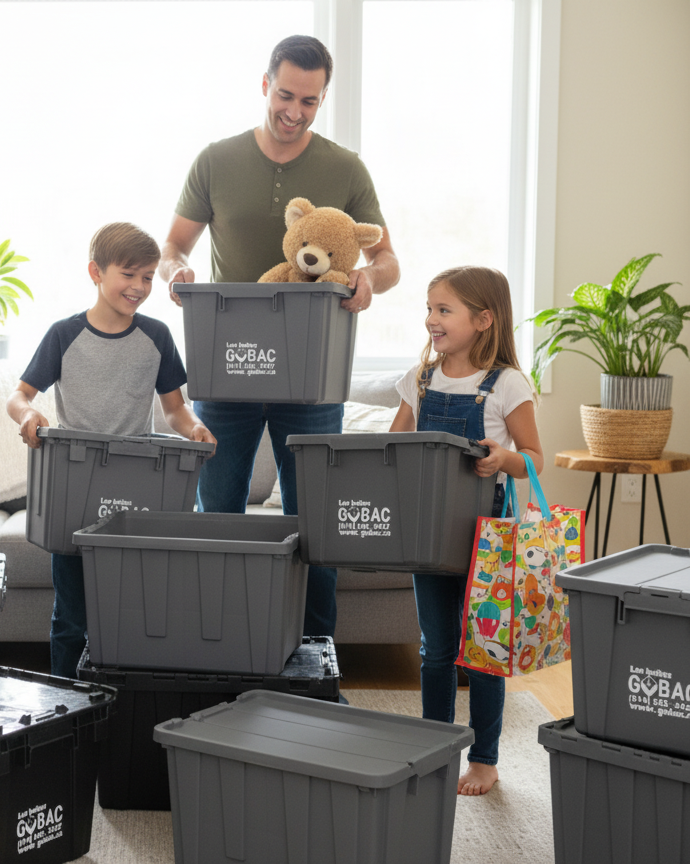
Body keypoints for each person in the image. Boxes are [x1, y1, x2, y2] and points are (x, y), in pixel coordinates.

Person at [158, 34, 400, 639]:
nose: (295, 111)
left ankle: (315, 653)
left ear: (323, 99)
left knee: (314, 522)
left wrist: (369, 279)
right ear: (265, 84)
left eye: (309, 101)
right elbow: (173, 246)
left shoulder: (345, 169)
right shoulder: (215, 160)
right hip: (228, 369)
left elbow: (388, 258)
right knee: (217, 515)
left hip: (312, 377)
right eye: (286, 95)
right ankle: (214, 644)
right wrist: (175, 271)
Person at [7, 222, 217, 679]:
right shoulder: (63, 334)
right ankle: (66, 700)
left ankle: (125, 701)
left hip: (136, 491)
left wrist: (196, 428)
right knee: (72, 617)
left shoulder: (157, 336)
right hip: (74, 491)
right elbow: (18, 396)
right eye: (129, 274)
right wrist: (28, 415)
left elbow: (175, 409)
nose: (139, 286)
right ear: (96, 273)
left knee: (136, 614)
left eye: (148, 277)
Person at [388, 265, 542, 796]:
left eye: (443, 309)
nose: (431, 319)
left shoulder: (507, 383)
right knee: (435, 648)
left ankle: (484, 760)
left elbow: (534, 458)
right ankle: (435, 748)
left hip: (488, 533)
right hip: (427, 532)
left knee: (484, 651)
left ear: (483, 319)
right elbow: (392, 448)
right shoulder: (420, 379)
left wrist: (504, 458)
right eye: (429, 309)